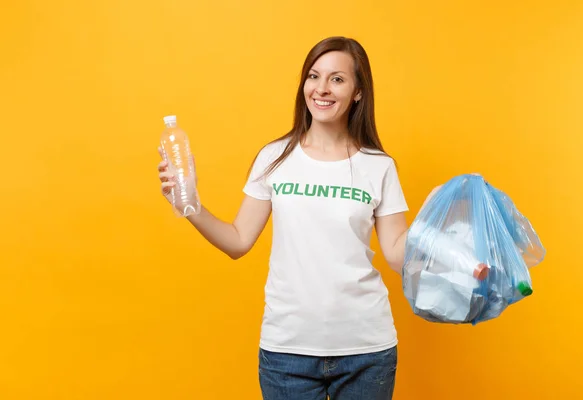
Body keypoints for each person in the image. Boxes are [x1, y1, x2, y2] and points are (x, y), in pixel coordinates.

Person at [157, 36, 439, 400]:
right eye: (313, 76)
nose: (321, 89)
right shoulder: (274, 158)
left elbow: (398, 255)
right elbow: (239, 241)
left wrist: (436, 223)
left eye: (337, 79)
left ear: (357, 92)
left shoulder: (378, 166)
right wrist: (190, 206)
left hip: (366, 349)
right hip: (286, 352)